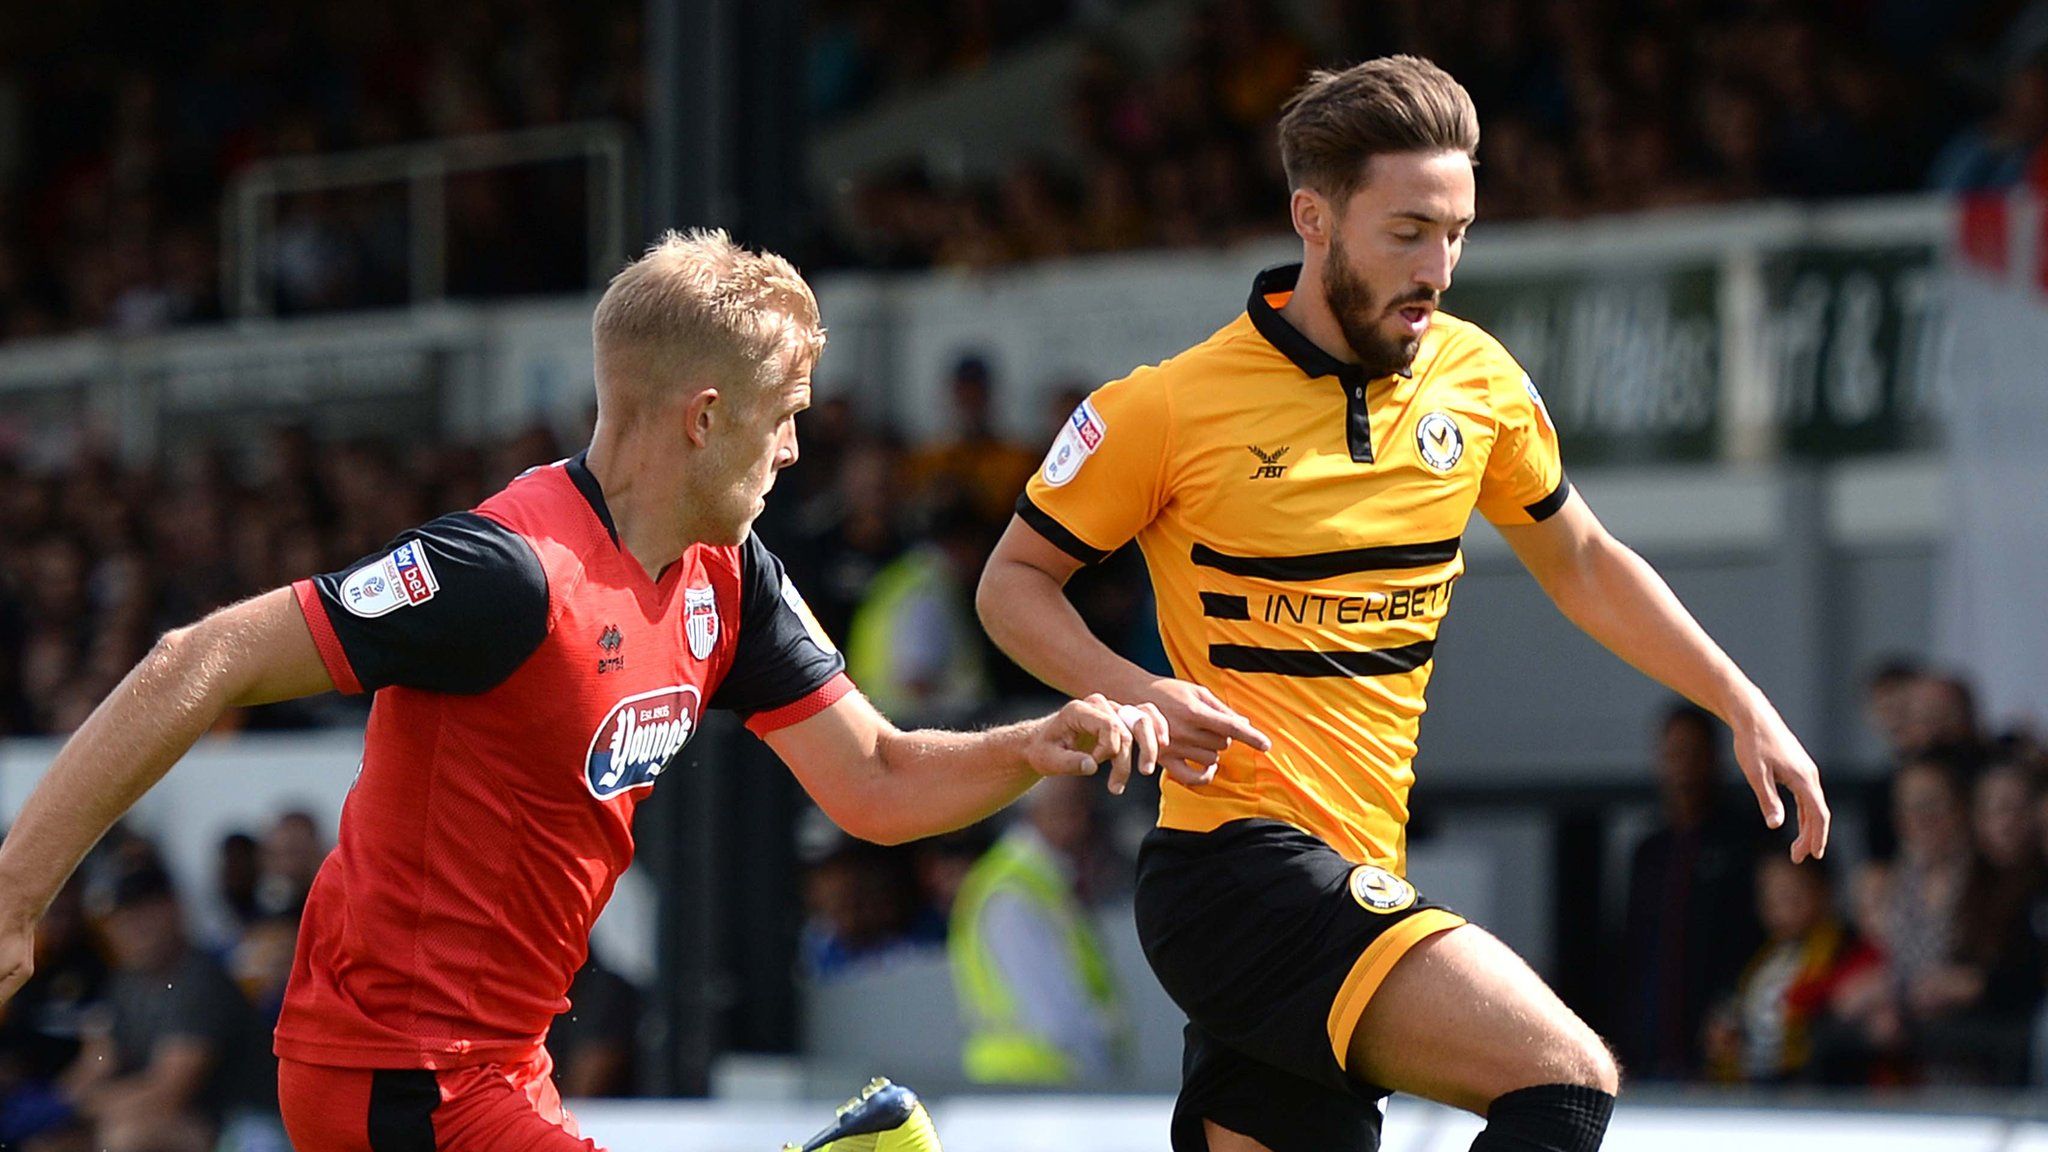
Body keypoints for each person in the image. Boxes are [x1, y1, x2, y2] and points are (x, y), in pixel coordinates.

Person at [0, 230, 1171, 1152]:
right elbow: (191, 661)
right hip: (393, 1074)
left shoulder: (731, 576)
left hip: (504, 1064)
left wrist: (1031, 744)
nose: (795, 454)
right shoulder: (503, 573)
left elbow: (870, 782)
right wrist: (15, 899)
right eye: (785, 421)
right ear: (706, 419)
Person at [977, 56, 1829, 1152]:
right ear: (1313, 219)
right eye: (1407, 232)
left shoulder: (1474, 380)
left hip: (1356, 871)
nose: (1437, 268)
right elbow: (1010, 586)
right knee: (1562, 1082)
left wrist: (1737, 700)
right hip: (1235, 871)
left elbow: (1581, 560)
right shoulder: (1165, 408)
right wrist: (1138, 691)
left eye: (1458, 233)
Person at [1612, 703, 1767, 1080]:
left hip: (1724, 1034)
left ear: (1714, 758)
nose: (1682, 765)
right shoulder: (1649, 849)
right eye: (1673, 753)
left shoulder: (1746, 839)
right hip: (1650, 1035)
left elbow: (1756, 933)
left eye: (1693, 752)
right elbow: (1630, 945)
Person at [949, 775, 1127, 1085]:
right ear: (1034, 810)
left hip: (1031, 1089)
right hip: (1038, 1090)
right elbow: (1057, 1019)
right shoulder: (1015, 893)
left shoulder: (1037, 882)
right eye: (1070, 804)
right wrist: (1104, 1083)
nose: (1082, 818)